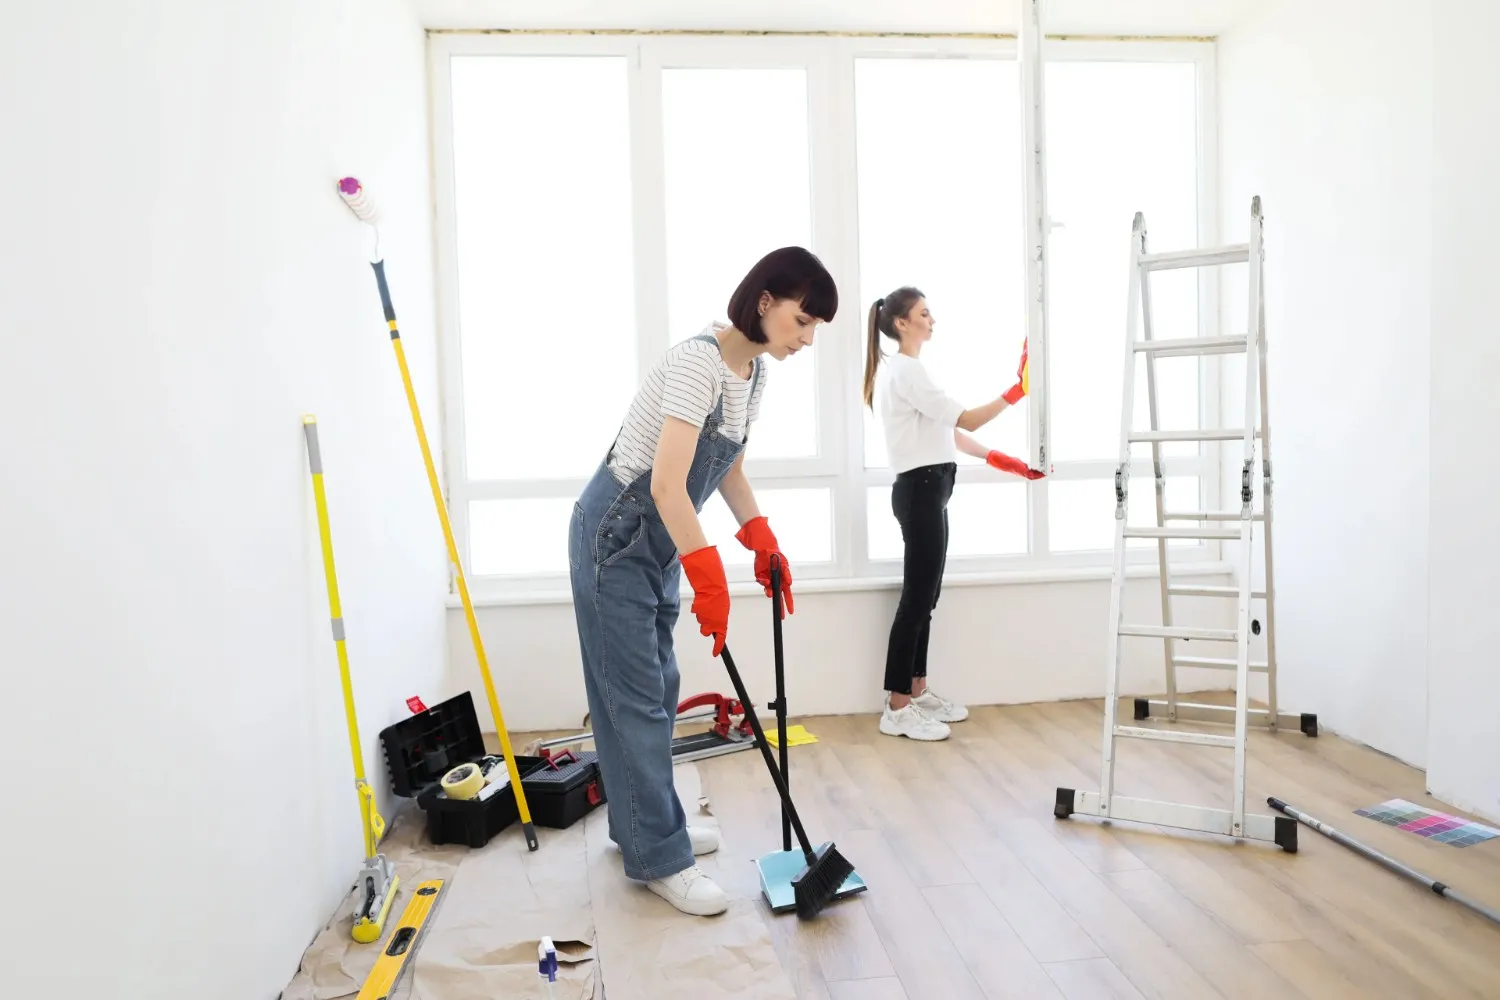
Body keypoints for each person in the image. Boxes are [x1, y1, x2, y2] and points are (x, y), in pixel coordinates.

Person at [568, 247, 837, 915]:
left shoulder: (752, 372)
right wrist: (708, 575)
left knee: (655, 686)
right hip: (618, 536)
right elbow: (665, 484)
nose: (805, 341)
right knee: (635, 700)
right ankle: (660, 856)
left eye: (813, 330)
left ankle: (642, 828)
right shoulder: (699, 363)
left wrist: (759, 535)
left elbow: (728, 470)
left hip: (656, 540)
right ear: (766, 300)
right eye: (801, 322)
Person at [862, 286, 1042, 742]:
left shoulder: (907, 371)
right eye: (925, 313)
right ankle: (897, 707)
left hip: (930, 490)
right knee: (916, 601)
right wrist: (1017, 391)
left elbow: (951, 435)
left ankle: (916, 691)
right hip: (920, 492)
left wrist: (1005, 461)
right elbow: (967, 420)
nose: (932, 320)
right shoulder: (906, 371)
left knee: (927, 597)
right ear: (902, 323)